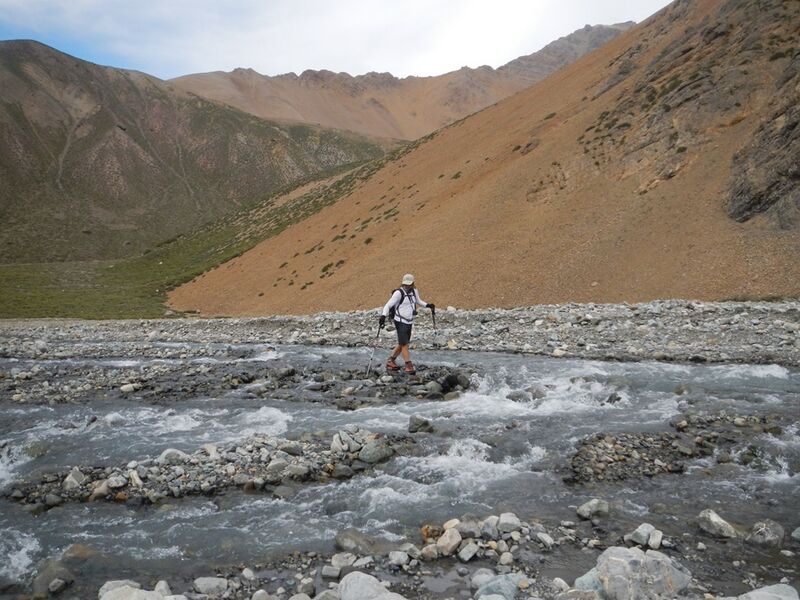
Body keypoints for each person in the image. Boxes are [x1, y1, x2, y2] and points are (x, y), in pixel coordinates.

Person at [379, 274, 434, 374]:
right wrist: (383, 316)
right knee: (405, 344)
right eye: (406, 284)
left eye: (409, 284)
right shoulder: (398, 293)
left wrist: (428, 305)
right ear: (403, 283)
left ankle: (391, 361)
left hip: (409, 321)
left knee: (402, 343)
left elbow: (418, 301)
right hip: (400, 321)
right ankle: (408, 365)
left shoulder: (414, 291)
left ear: (413, 283)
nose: (407, 286)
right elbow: (388, 305)